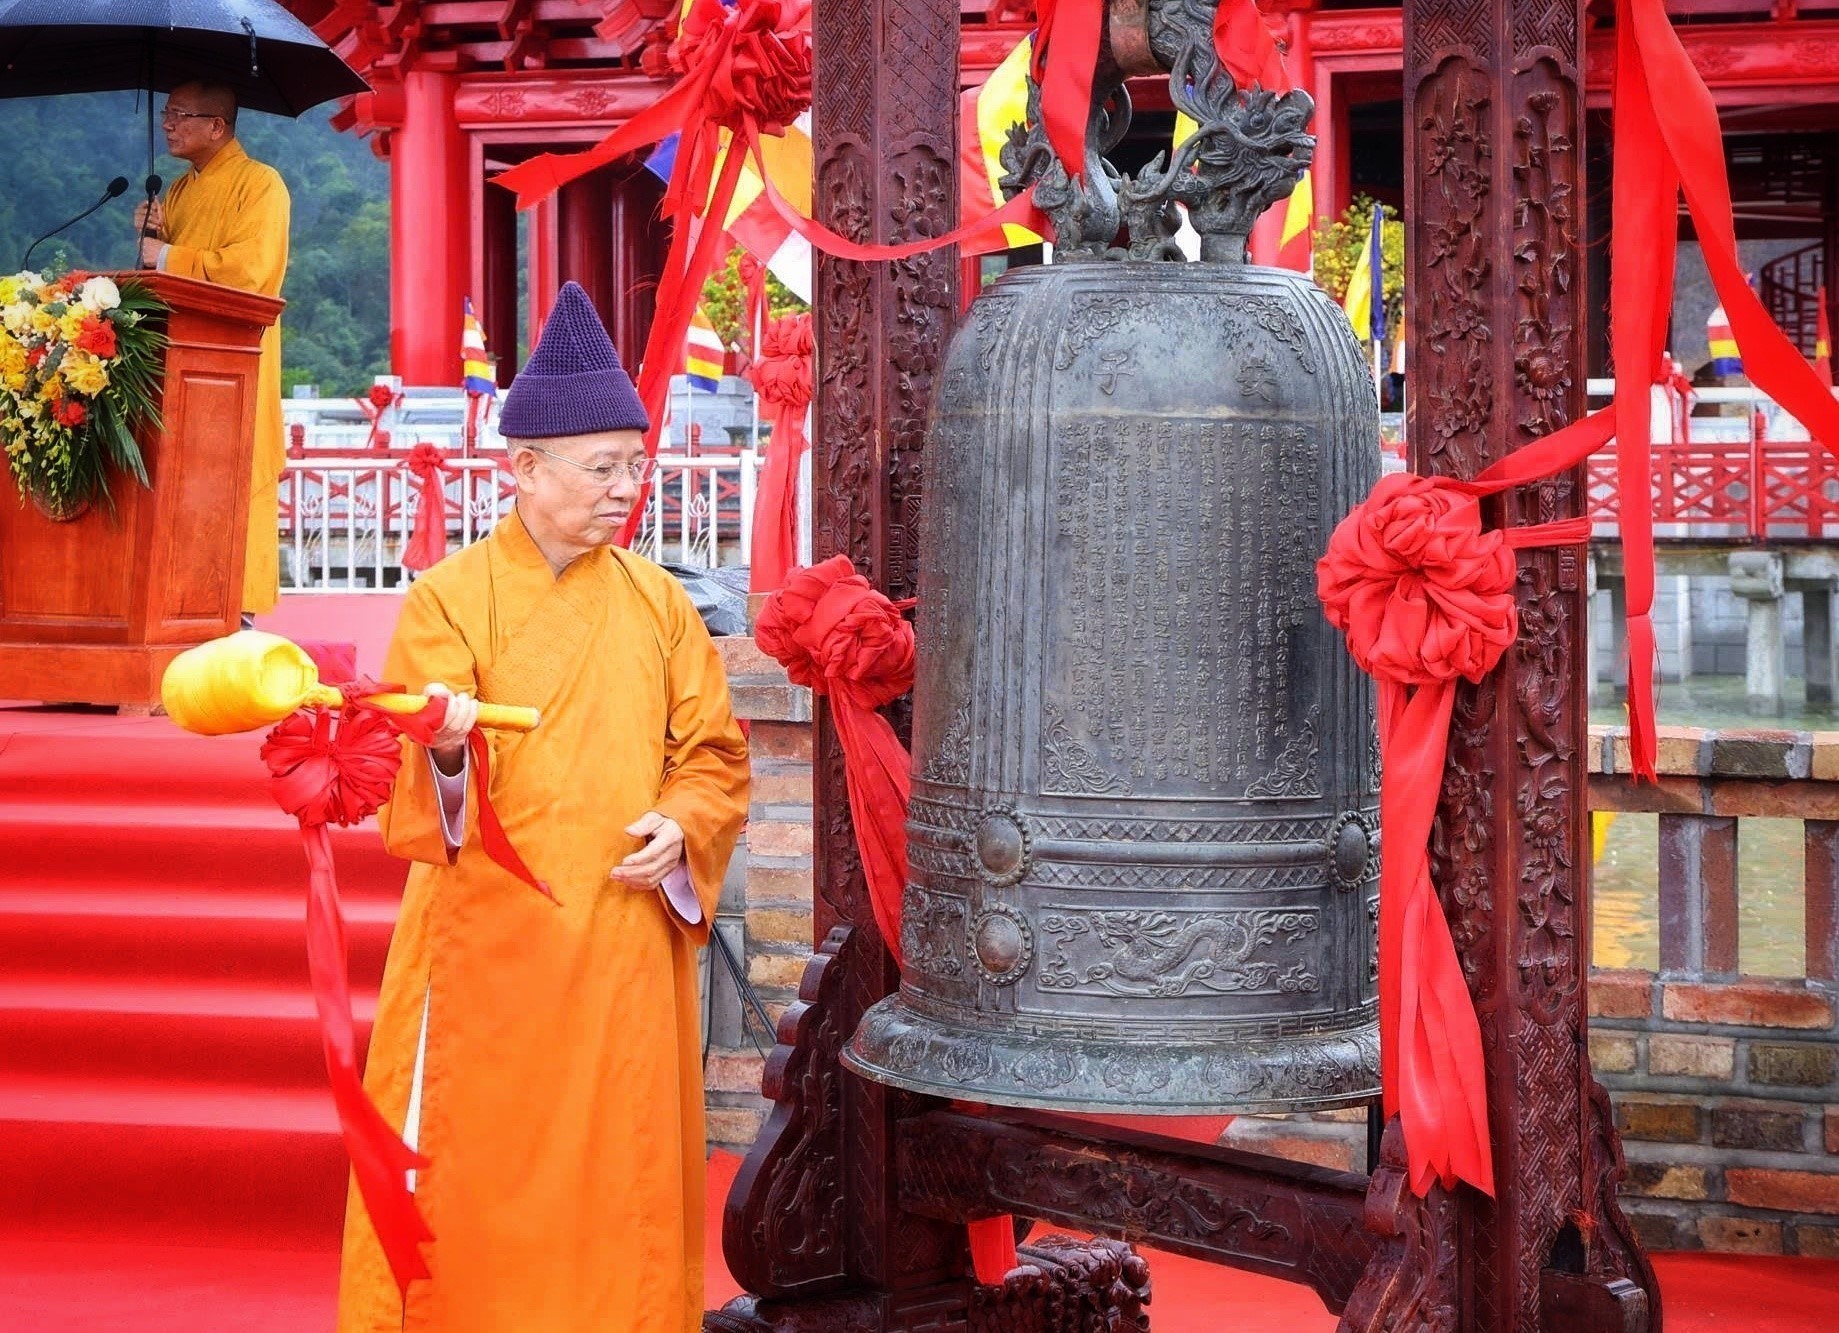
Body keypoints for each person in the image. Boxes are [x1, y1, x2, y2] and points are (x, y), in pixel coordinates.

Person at [337, 282, 750, 1332]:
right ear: (525, 469)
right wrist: (440, 750)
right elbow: (418, 794)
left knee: (622, 1190)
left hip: (618, 946)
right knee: (480, 1193)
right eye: (603, 467)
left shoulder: (660, 603)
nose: (627, 490)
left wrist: (684, 823)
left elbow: (712, 756)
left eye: (634, 465)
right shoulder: (449, 599)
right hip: (492, 955)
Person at [133, 80, 289, 623]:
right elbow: (163, 277)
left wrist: (168, 252)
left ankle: (233, 610)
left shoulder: (261, 184)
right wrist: (154, 236)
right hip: (178, 360)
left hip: (235, 362)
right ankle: (171, 605)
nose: (168, 124)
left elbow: (251, 272)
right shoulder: (175, 192)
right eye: (167, 114)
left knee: (235, 472)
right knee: (179, 477)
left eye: (180, 115)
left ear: (217, 126)